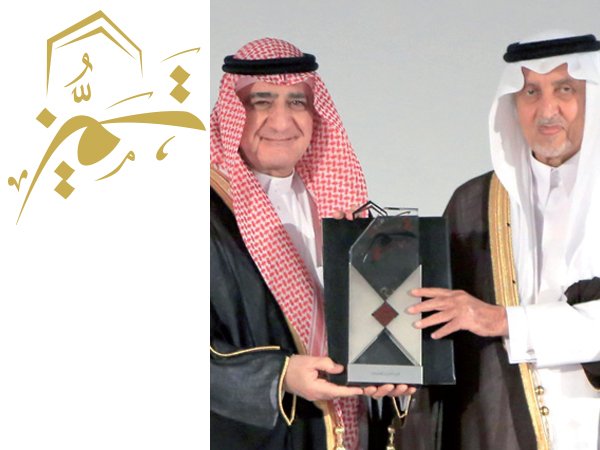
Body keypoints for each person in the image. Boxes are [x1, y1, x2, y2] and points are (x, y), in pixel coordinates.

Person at [210, 37, 413, 450]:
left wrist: (396, 373)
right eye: (261, 102)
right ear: (233, 112)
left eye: (297, 102)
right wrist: (280, 375)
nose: (281, 122)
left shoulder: (339, 206)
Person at [404, 31, 600, 449]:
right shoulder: (474, 203)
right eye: (531, 91)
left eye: (565, 89)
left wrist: (502, 321)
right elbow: (431, 328)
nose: (547, 109)